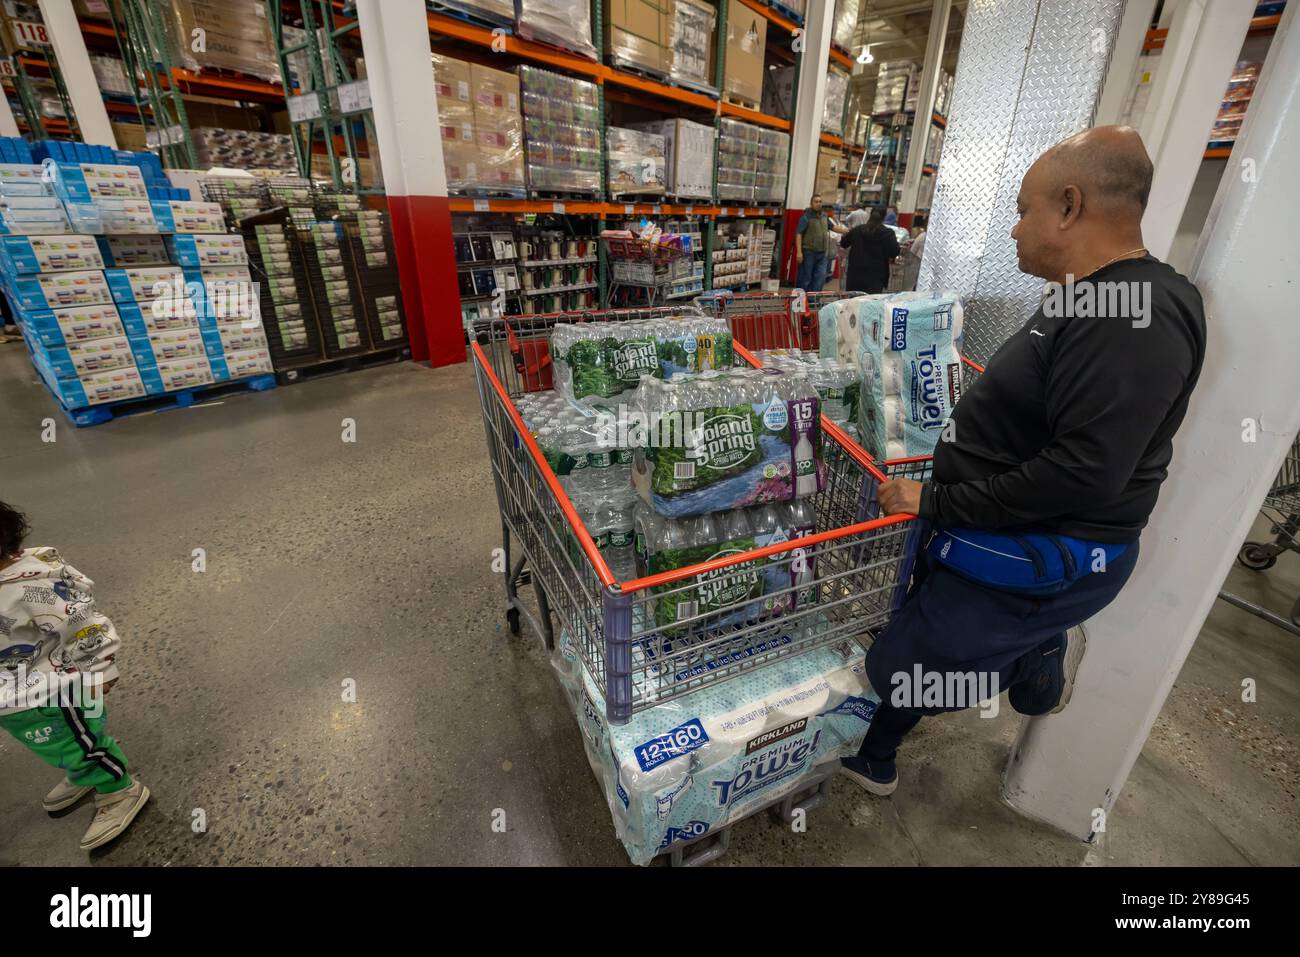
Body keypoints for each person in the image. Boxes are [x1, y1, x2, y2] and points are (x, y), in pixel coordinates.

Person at [840, 125, 1206, 796]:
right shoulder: (1091, 295)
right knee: (915, 640)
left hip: (1029, 553)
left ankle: (1025, 655)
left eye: (1024, 209)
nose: (1014, 230)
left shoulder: (1135, 316)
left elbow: (1083, 472)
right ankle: (892, 742)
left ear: (1070, 206)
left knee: (900, 667)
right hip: (998, 529)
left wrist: (938, 502)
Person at [0, 500, 150, 850]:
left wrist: (100, 667)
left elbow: (81, 622)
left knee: (81, 744)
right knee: (55, 745)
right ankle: (82, 772)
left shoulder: (27, 587)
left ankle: (118, 790)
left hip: (52, 691)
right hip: (12, 697)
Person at [838, 206, 900, 294]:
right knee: (870, 304)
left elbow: (844, 243)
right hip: (876, 276)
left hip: (855, 275)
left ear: (870, 215)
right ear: (884, 216)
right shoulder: (888, 233)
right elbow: (895, 252)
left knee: (853, 303)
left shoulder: (857, 230)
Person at [794, 194, 846, 292]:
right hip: (809, 252)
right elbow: (798, 234)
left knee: (820, 278)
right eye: (816, 201)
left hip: (822, 253)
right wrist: (799, 252)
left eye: (820, 201)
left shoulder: (824, 216)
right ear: (811, 203)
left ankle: (813, 300)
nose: (818, 204)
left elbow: (833, 227)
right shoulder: (806, 217)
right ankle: (800, 300)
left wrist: (847, 231)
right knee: (806, 278)